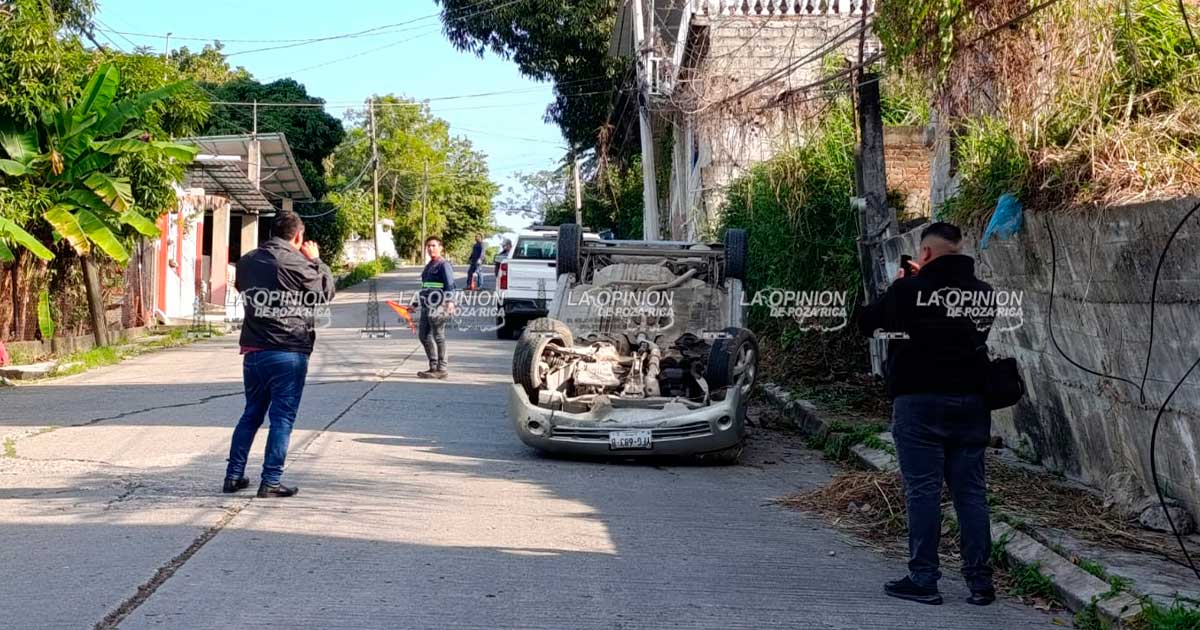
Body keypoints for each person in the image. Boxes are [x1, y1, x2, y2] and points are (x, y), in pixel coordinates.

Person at [856, 222, 996, 606]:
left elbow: (867, 322)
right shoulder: (984, 294)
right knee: (971, 493)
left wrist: (900, 286)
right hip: (971, 403)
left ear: (926, 254)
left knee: (923, 491)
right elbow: (976, 336)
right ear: (960, 250)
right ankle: (980, 583)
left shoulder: (908, 290)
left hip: (919, 403)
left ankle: (924, 578)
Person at [223, 211, 334, 498]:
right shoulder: (297, 261)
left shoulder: (246, 261)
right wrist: (317, 260)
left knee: (251, 413)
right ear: (298, 236)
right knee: (282, 418)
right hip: (288, 349)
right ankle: (270, 480)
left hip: (253, 351)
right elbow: (324, 293)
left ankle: (233, 475)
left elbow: (243, 290)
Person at [417, 236, 456, 379]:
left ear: (441, 248)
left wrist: (450, 301)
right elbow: (425, 286)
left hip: (439, 305)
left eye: (433, 245)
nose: (430, 248)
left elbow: (450, 285)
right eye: (428, 246)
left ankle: (442, 368)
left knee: (439, 336)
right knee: (423, 336)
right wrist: (415, 303)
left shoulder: (443, 265)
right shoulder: (429, 266)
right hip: (426, 305)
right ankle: (433, 366)